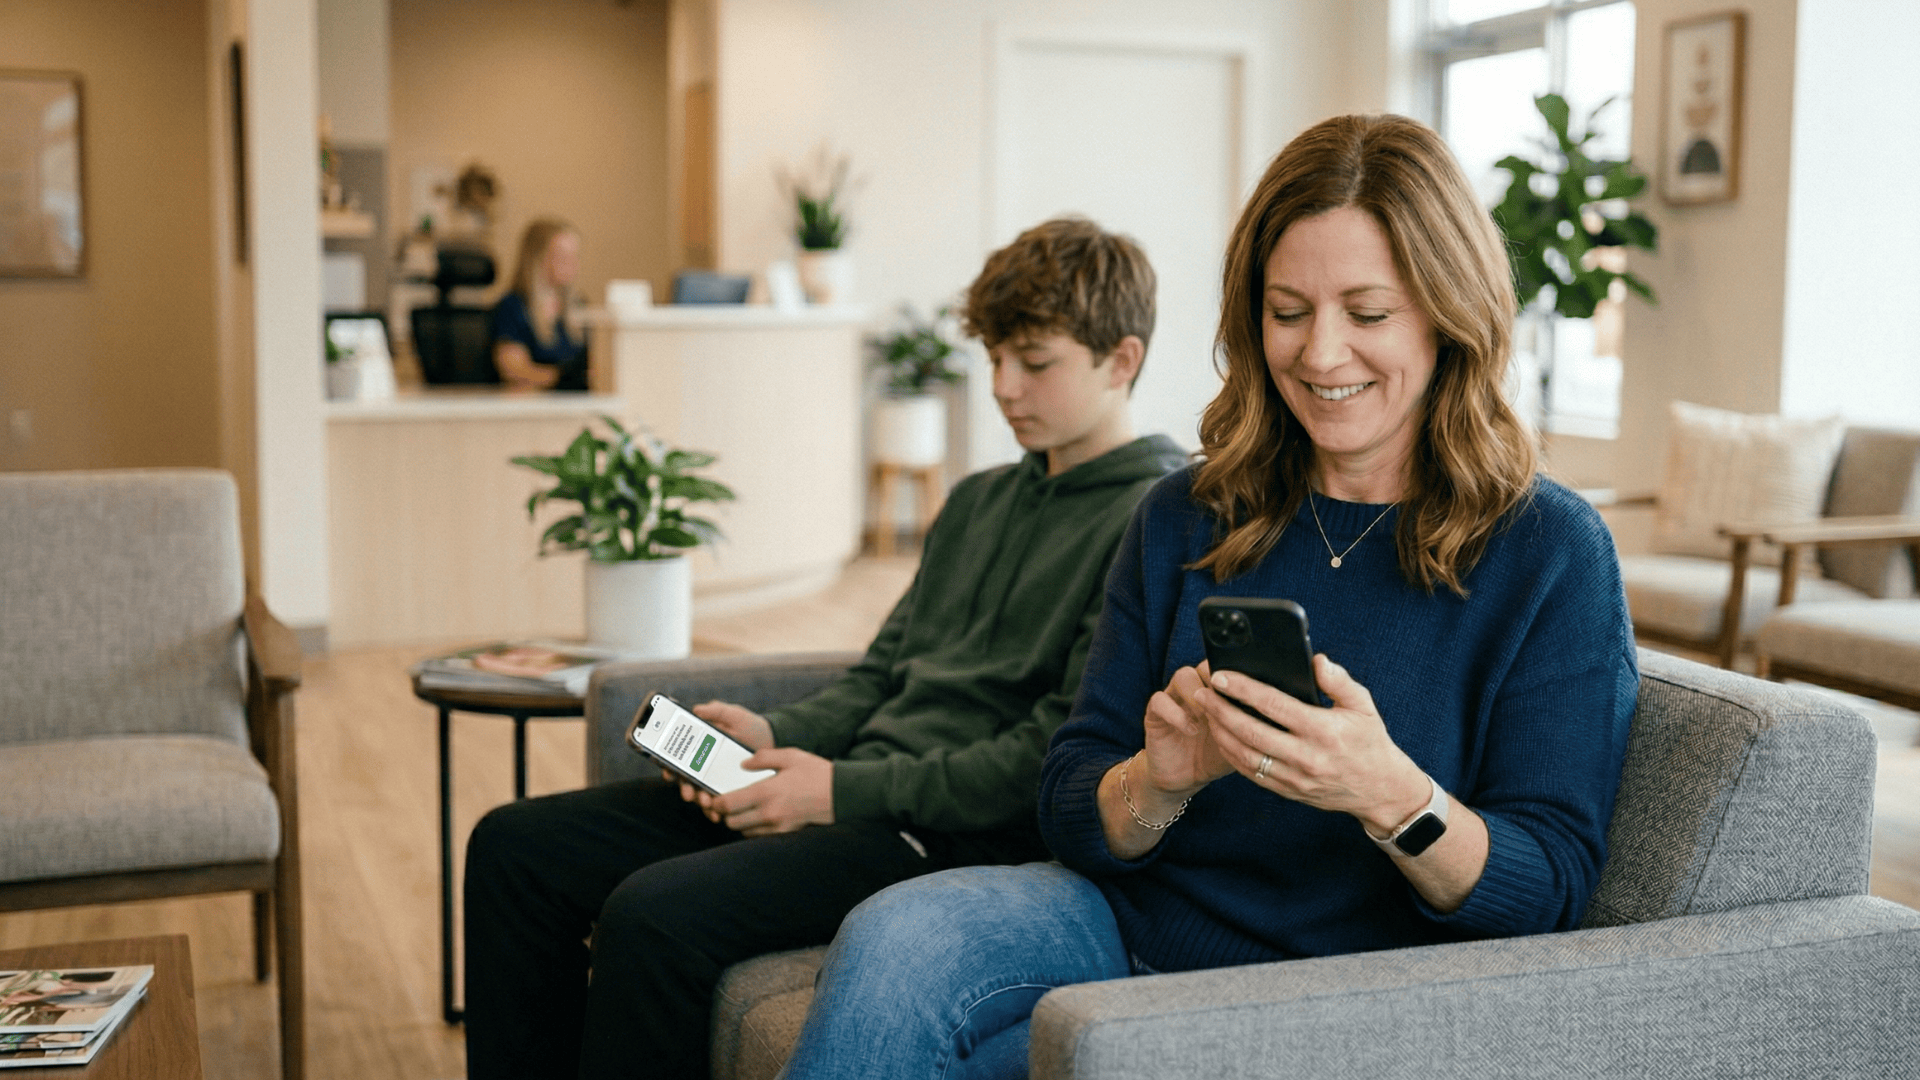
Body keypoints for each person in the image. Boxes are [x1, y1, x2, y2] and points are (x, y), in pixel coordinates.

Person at [777, 113, 1638, 1079]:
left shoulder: (1550, 552)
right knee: (898, 935)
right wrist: (1159, 780)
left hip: (1352, 988)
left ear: (1450, 315)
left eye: (1367, 312)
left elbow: (1552, 888)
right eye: (1287, 311)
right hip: (1126, 923)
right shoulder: (1185, 514)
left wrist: (1389, 794)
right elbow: (1068, 798)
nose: (1320, 355)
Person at [462, 216, 1188, 1080]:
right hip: (857, 793)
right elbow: (883, 672)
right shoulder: (979, 499)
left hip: (945, 839)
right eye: (993, 358)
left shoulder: (1151, 521)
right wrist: (775, 735)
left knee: (652, 918)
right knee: (512, 848)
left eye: (1034, 362)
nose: (1002, 387)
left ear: (1122, 360)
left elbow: (1044, 759)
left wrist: (836, 791)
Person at [492, 217, 589, 390]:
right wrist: (564, 377)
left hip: (578, 403)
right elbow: (515, 371)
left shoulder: (580, 306)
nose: (572, 263)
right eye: (562, 255)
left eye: (575, 255)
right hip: (537, 404)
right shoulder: (513, 306)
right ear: (537, 258)